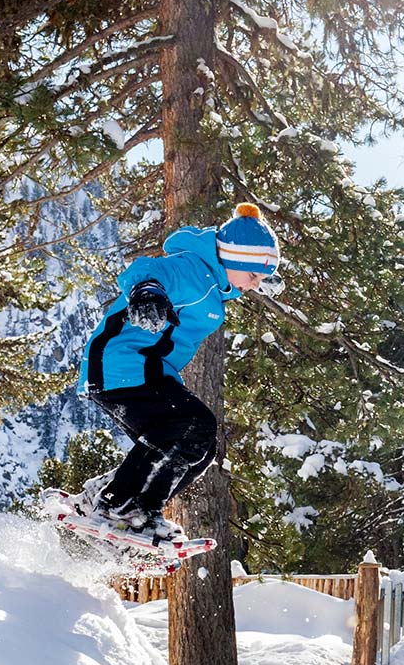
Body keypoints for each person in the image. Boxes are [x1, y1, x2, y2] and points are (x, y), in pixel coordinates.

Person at [71, 202, 282, 539]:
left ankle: (120, 498)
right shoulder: (192, 270)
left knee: (201, 446)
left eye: (262, 279)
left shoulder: (214, 290)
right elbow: (145, 271)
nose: (255, 286)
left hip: (148, 371)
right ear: (233, 258)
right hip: (122, 363)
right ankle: (120, 505)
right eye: (253, 275)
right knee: (192, 425)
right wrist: (147, 293)